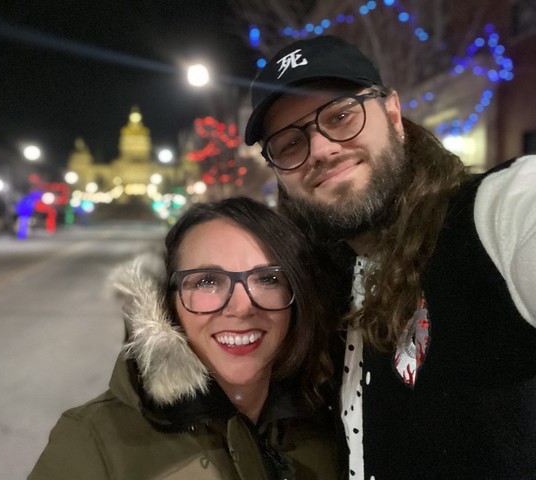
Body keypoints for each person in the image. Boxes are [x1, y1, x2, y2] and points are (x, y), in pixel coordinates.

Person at [243, 35, 536, 480]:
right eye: (289, 144)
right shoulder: (316, 283)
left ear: (393, 115)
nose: (320, 149)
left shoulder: (488, 217)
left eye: (341, 116)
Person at [28, 197, 341, 480]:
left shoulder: (328, 424)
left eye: (268, 279)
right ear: (168, 304)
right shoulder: (93, 442)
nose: (243, 306)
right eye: (207, 281)